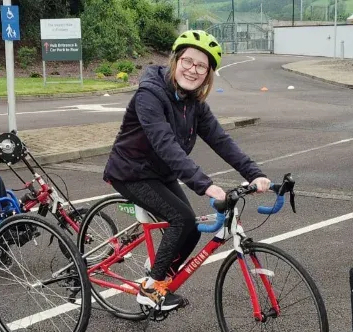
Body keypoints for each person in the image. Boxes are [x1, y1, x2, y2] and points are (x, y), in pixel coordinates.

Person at [102, 30, 271, 312]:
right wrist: (203, 184)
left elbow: (221, 140)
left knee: (190, 228)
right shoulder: (150, 95)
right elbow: (165, 144)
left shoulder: (194, 104)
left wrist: (254, 172)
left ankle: (158, 272)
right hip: (130, 171)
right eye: (188, 61)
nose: (193, 70)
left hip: (161, 173)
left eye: (201, 66)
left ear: (208, 74)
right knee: (180, 219)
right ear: (175, 60)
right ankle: (150, 288)